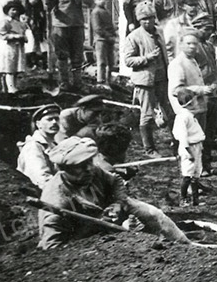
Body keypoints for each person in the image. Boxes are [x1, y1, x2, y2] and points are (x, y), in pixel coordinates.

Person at [38, 137, 187, 250]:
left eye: (90, 162)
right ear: (63, 169)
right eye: (81, 166)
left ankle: (186, 245)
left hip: (107, 216)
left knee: (154, 214)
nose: (90, 168)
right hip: (85, 238)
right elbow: (53, 248)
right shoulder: (56, 202)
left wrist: (117, 203)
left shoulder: (89, 170)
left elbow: (116, 181)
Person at [121, 3, 172, 156]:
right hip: (145, 80)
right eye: (144, 20)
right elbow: (128, 60)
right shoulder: (134, 37)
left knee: (169, 110)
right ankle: (149, 148)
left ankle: (176, 142)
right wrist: (147, 58)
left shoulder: (160, 32)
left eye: (150, 18)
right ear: (139, 20)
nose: (148, 22)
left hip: (163, 78)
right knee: (147, 114)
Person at [47, 0, 92, 90]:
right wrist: (49, 5)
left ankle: (77, 82)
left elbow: (90, 2)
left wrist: (81, 1)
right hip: (61, 26)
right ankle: (64, 83)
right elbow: (51, 5)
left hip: (77, 25)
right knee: (62, 56)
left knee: (77, 55)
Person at [172, 88, 206, 205]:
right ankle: (183, 198)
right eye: (195, 100)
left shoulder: (190, 115)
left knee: (196, 174)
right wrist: (188, 152)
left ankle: (195, 200)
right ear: (190, 103)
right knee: (188, 175)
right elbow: (182, 136)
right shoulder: (183, 117)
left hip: (196, 146)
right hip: (189, 147)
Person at [17, 104, 62, 188]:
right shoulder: (33, 147)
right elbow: (42, 179)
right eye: (49, 119)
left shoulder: (53, 144)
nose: (54, 122)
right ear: (38, 124)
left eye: (57, 119)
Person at [0, 0, 28, 93]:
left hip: (19, 48)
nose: (15, 12)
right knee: (10, 67)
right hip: (10, 47)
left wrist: (24, 38)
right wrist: (15, 36)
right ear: (8, 11)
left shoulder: (20, 23)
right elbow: (3, 35)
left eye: (16, 10)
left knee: (17, 67)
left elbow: (24, 33)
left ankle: (14, 86)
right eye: (12, 10)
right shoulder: (6, 22)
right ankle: (10, 88)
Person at [89, 0, 117, 87]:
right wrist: (109, 36)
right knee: (101, 62)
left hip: (109, 40)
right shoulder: (95, 12)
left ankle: (108, 80)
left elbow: (111, 26)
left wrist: (114, 34)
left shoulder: (107, 12)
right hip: (100, 40)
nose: (103, 1)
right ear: (95, 0)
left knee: (111, 62)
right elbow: (97, 29)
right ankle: (100, 81)